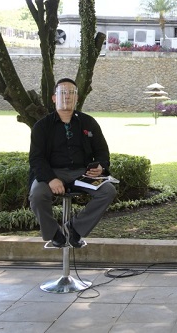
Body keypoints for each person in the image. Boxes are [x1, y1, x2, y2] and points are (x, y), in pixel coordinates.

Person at [28, 78, 116, 248]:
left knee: (108, 190)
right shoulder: (41, 126)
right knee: (37, 194)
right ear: (54, 98)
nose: (67, 96)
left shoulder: (89, 122)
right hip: (52, 172)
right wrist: (50, 179)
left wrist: (100, 166)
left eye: (71, 93)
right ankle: (54, 233)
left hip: (82, 173)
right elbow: (36, 159)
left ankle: (75, 228)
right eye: (62, 92)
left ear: (77, 98)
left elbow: (102, 152)